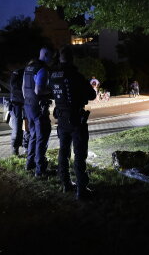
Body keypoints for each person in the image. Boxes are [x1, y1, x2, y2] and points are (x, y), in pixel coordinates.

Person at [50, 46, 96, 200]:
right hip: (76, 120)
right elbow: (92, 94)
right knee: (79, 154)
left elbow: (52, 93)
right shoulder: (75, 75)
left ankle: (65, 183)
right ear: (72, 59)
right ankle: (81, 189)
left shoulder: (54, 75)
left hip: (61, 119)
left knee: (63, 152)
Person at [22, 47, 53, 178]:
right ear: (45, 55)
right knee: (42, 137)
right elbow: (39, 90)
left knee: (33, 135)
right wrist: (51, 92)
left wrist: (29, 102)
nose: (51, 59)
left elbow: (23, 88)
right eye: (50, 56)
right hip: (39, 108)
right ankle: (40, 170)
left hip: (28, 105)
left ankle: (30, 163)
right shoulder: (42, 69)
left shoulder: (29, 68)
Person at [9, 67, 30, 155]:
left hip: (24, 103)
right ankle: (16, 149)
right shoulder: (18, 72)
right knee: (18, 127)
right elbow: (15, 88)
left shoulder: (26, 72)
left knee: (26, 128)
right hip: (18, 103)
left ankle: (26, 148)